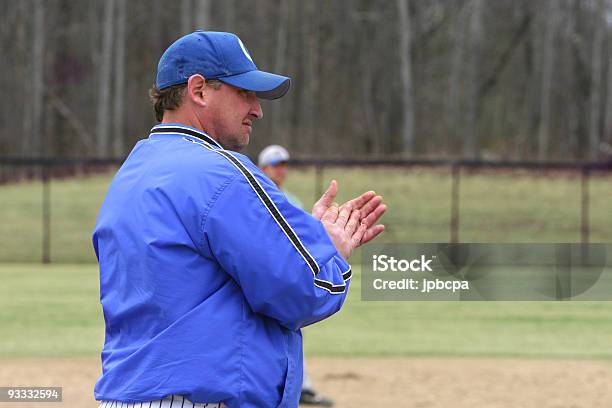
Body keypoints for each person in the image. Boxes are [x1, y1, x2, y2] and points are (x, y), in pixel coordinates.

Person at [93, 30, 386, 408]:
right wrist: (330, 250)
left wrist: (305, 240)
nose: (257, 109)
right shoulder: (222, 172)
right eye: (244, 92)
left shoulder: (132, 172)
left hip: (127, 395)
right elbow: (302, 293)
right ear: (198, 90)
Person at [259, 145, 332, 407]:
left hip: (287, 273)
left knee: (291, 330)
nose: (281, 170)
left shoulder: (291, 200)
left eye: (283, 165)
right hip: (264, 273)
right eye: (276, 164)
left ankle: (303, 387)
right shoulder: (252, 193)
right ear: (263, 167)